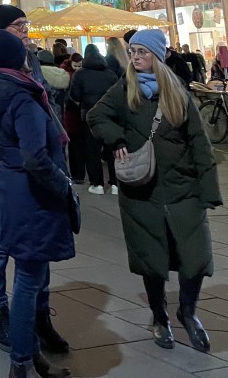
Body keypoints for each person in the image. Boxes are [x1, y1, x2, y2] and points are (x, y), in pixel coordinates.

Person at [88, 28, 221, 353]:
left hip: (183, 189)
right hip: (141, 192)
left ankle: (187, 313)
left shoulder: (177, 93)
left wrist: (208, 190)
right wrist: (116, 138)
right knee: (153, 259)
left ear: (157, 57)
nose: (135, 58)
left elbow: (199, 144)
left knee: (196, 258)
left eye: (142, 52)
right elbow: (96, 115)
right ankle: (160, 317)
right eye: (132, 52)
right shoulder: (124, 89)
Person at [0, 4, 69, 359]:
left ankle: (38, 315)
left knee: (39, 243)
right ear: (2, 30)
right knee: (0, 241)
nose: (26, 30)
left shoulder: (28, 58)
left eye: (26, 25)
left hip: (36, 164)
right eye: (20, 25)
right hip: (0, 166)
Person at [0, 29, 75, 378]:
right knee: (28, 279)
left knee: (26, 274)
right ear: (18, 57)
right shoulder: (23, 97)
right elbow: (35, 157)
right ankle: (21, 361)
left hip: (12, 187)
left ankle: (30, 355)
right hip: (32, 194)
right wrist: (62, 184)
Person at [66, 44, 118, 195]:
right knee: (111, 150)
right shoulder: (110, 74)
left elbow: (74, 97)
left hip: (89, 115)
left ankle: (97, 184)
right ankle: (115, 183)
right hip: (110, 115)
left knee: (92, 150)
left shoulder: (80, 74)